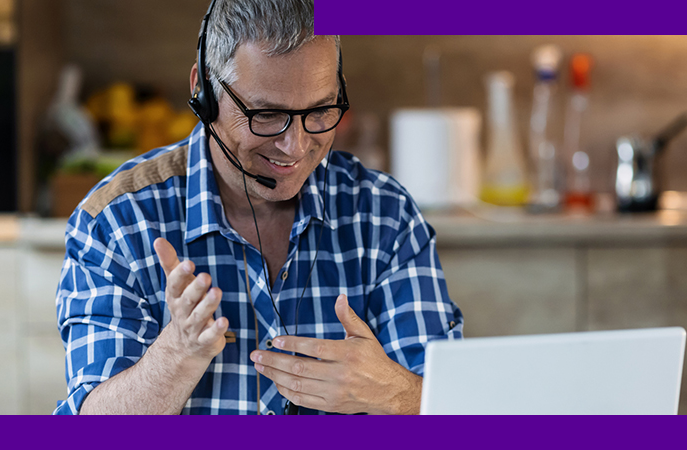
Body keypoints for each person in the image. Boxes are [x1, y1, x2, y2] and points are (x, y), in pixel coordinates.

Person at [53, 0, 463, 415]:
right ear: (203, 92)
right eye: (266, 115)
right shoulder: (116, 221)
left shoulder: (385, 215)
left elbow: (459, 412)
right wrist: (178, 354)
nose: (296, 146)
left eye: (320, 110)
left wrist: (396, 394)